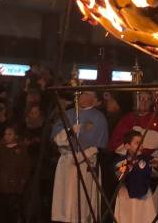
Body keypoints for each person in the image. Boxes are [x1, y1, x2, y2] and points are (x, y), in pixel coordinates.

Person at [53, 90, 108, 223]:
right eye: (80, 93)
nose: (81, 96)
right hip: (67, 162)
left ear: (94, 99)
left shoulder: (99, 117)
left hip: (85, 162)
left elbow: (99, 144)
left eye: (86, 94)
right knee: (66, 200)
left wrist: (82, 156)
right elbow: (56, 137)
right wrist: (69, 132)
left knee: (83, 201)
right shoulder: (68, 114)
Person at [114, 131, 158, 223]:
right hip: (126, 197)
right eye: (137, 143)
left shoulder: (147, 159)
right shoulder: (122, 161)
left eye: (141, 143)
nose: (140, 145)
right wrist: (127, 164)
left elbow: (156, 174)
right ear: (127, 146)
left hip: (145, 198)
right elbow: (118, 174)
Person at [0, 127, 31, 223]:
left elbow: (26, 166)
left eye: (10, 134)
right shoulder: (0, 148)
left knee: (14, 211)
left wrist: (23, 181)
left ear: (16, 136)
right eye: (5, 134)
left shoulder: (21, 149)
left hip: (15, 185)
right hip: (2, 185)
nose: (7, 136)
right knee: (2, 211)